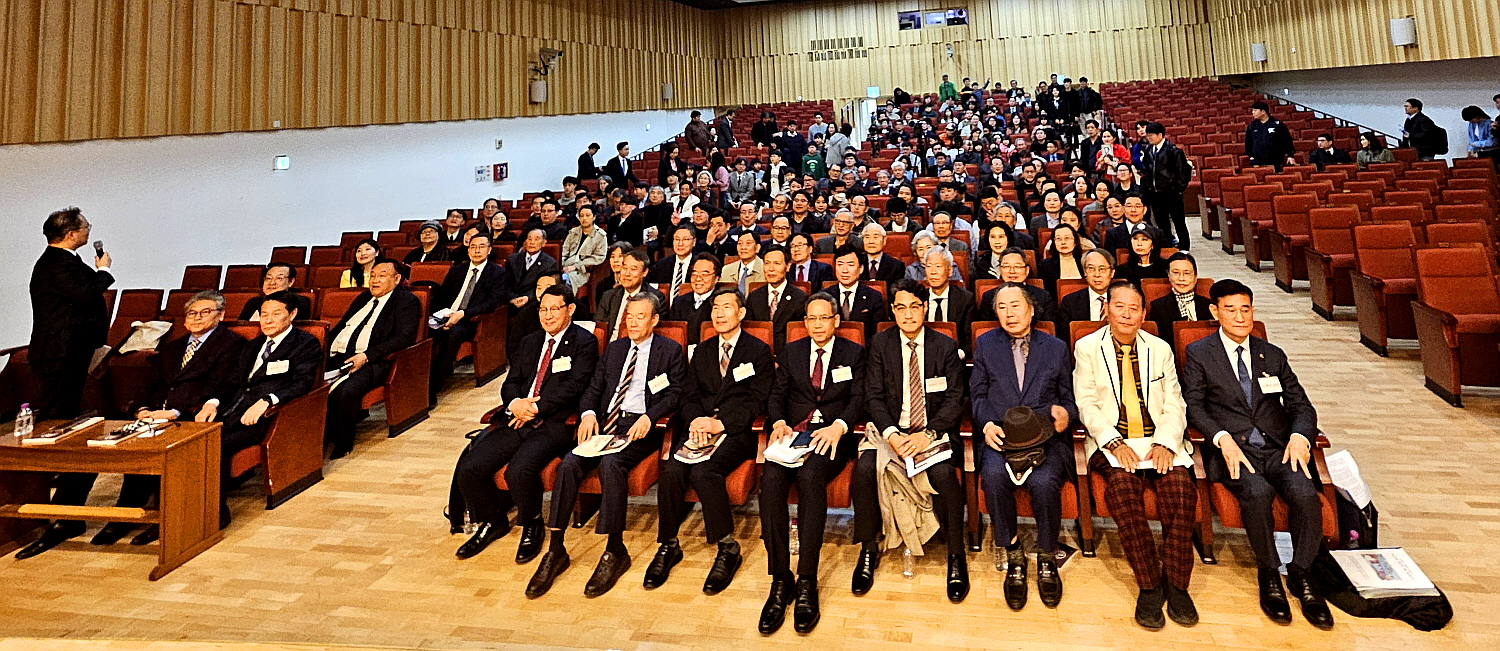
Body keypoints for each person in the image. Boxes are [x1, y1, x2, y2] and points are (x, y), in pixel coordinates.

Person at [1182, 279, 1333, 629]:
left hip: (1279, 449)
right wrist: (1221, 438)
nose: (1239, 316)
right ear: (1214, 312)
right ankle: (1269, 573)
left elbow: (1301, 405)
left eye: (1245, 309)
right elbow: (1194, 405)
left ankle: (1301, 572)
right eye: (1230, 309)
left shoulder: (1272, 354)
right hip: (1234, 450)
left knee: (1305, 494)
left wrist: (1300, 436)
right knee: (1258, 492)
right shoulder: (1201, 354)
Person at [525, 293, 685, 598]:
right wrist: (586, 414)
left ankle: (614, 549)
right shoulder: (614, 349)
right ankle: (556, 548)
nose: (633, 322)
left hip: (640, 427)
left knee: (612, 463)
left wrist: (651, 417)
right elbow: (593, 388)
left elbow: (674, 393)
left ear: (654, 320)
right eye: (629, 316)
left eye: (641, 317)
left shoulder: (669, 351)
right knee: (569, 463)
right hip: (605, 424)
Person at [1073, 282, 1197, 629]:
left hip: (1156, 440)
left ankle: (1178, 583)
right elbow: (1086, 403)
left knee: (1181, 490)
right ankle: (1148, 584)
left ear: (1144, 314)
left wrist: (1165, 442)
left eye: (1134, 308)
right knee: (1123, 493)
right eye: (1119, 307)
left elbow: (1175, 402)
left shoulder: (1159, 349)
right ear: (1106, 310)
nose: (1126, 314)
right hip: (1113, 442)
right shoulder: (1087, 348)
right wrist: (1114, 442)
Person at [449, 283, 598, 567]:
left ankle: (532, 524)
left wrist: (535, 407)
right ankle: (493, 521)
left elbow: (577, 386)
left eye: (555, 309)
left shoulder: (583, 342)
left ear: (570, 310)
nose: (548, 316)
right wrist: (515, 403)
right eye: (543, 309)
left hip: (555, 422)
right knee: (470, 467)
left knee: (520, 470)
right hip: (517, 418)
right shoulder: (530, 342)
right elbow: (511, 382)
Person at [647, 288, 773, 595]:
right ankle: (669, 543)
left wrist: (721, 424)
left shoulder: (757, 351)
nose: (719, 313)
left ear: (741, 314)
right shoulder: (702, 351)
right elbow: (688, 395)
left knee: (705, 471)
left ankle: (727, 547)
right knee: (674, 470)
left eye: (726, 307)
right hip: (701, 429)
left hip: (737, 431)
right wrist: (696, 422)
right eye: (715, 307)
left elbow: (759, 400)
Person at [758, 294, 865, 634]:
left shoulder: (854, 353)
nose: (817, 324)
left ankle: (806, 579)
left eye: (824, 318)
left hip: (832, 436)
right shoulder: (791, 353)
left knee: (810, 477)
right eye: (811, 319)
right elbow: (777, 393)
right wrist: (776, 420)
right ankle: (780, 578)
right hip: (793, 434)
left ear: (836, 320)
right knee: (770, 481)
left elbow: (859, 398)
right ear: (805, 322)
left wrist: (840, 425)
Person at [858, 279, 970, 602]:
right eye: (901, 307)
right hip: (891, 432)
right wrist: (892, 434)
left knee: (945, 476)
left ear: (925, 309)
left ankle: (955, 555)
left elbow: (954, 398)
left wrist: (928, 434)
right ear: (893, 311)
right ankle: (868, 548)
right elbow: (873, 397)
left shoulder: (944, 346)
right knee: (865, 470)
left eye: (914, 307)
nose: (908, 314)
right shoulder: (880, 344)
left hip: (931, 433)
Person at [971, 283, 1075, 610]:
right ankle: (1014, 552)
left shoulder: (1056, 347)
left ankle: (1045, 554)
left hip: (1044, 435)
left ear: (1031, 309)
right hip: (1001, 433)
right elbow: (978, 395)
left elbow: (1070, 398)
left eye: (1015, 305)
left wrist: (1066, 415)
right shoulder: (985, 344)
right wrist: (986, 423)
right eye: (1001, 307)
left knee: (1044, 484)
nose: (1009, 313)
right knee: (992, 477)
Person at [215, 292, 322, 528]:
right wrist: (212, 402)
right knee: (188, 437)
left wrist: (269, 400)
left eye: (276, 314)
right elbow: (233, 382)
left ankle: (215, 510)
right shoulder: (252, 345)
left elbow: (303, 383)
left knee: (215, 445)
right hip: (233, 410)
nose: (268, 320)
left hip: (268, 417)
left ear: (292, 314)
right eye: (263, 315)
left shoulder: (305, 344)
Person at [322, 259, 422, 459]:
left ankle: (342, 442)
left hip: (376, 359)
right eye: (373, 275)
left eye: (382, 275)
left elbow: (404, 337)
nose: (375, 280)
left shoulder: (406, 301)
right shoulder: (362, 298)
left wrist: (367, 356)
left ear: (396, 279)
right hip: (339, 356)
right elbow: (343, 326)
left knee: (345, 390)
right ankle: (315, 437)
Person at [27, 207, 113, 421]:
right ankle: (47, 451)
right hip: (60, 349)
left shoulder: (64, 260)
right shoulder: (57, 263)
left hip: (69, 347)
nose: (88, 231)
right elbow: (87, 293)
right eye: (86, 227)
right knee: (56, 411)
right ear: (71, 234)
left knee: (67, 407)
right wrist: (104, 270)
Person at [428, 234, 508, 403]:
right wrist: (439, 316)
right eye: (472, 246)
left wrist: (462, 314)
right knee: (422, 334)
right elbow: (441, 296)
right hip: (447, 315)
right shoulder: (457, 270)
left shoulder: (497, 272)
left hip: (470, 320)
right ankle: (413, 384)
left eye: (481, 246)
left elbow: (492, 303)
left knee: (452, 335)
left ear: (489, 250)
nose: (476, 250)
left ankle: (432, 388)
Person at [1140, 122, 1193, 251]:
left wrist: (1178, 189)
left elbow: (1183, 172)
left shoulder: (1173, 151)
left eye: (1151, 135)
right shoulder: (1148, 150)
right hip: (1155, 193)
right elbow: (1146, 170)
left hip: (1171, 192)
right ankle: (1167, 245)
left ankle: (1184, 247)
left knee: (1178, 221)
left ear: (1160, 135)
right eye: (1147, 135)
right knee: (1161, 222)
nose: (1149, 138)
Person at [745, 247, 807, 356]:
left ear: (787, 266)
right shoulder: (754, 297)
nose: (771, 269)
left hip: (788, 358)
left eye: (777, 263)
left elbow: (798, 338)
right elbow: (749, 332)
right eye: (767, 263)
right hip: (757, 356)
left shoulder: (800, 298)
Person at [594, 249, 666, 342]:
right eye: (624, 268)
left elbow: (657, 332)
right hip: (610, 347)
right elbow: (600, 328)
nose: (627, 274)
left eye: (633, 269)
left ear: (644, 272)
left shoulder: (656, 297)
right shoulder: (609, 296)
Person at [1149, 252, 1212, 349]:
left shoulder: (1208, 305)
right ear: (1169, 276)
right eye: (1175, 273)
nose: (1181, 278)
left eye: (1187, 273)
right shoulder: (1158, 306)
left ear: (1195, 277)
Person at [922, 245, 975, 357]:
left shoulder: (965, 299)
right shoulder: (918, 298)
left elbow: (968, 339)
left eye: (938, 266)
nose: (933, 272)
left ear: (950, 271)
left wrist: (956, 355)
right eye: (929, 266)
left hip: (954, 356)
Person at [828, 245, 888, 339]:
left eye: (850, 265)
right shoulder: (824, 296)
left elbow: (878, 335)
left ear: (861, 269)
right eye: (840, 264)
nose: (844, 270)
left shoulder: (874, 297)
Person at [1058, 249, 1117, 335]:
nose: (1097, 274)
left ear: (1112, 273)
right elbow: (1065, 337)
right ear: (1085, 272)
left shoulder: (1124, 300)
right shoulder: (1070, 302)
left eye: (1102, 269)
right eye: (1091, 268)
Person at [669, 254, 721, 346]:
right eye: (694, 274)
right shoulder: (679, 301)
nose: (698, 279)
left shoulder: (720, 302)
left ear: (717, 278)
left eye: (704, 274)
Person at [505, 230, 561, 311]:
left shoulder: (550, 263)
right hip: (510, 302)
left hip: (534, 303)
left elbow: (546, 287)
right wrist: (511, 298)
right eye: (529, 239)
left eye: (536, 239)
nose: (532, 242)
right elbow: (506, 283)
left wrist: (528, 298)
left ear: (544, 243)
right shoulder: (512, 259)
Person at [239, 263, 311, 320]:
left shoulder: (299, 302)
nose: (272, 283)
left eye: (279, 278)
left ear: (291, 282)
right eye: (268, 278)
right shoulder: (253, 302)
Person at [560, 204, 607, 292]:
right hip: (566, 266)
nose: (584, 218)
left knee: (564, 279)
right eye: (581, 216)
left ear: (594, 217)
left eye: (587, 215)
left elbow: (599, 258)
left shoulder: (600, 235)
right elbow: (564, 251)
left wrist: (576, 266)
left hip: (583, 271)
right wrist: (561, 265)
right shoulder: (573, 232)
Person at [1037, 223, 1087, 298]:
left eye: (1067, 238)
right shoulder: (1045, 266)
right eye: (1058, 239)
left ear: (1075, 241)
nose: (1063, 242)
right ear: (1054, 242)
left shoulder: (1086, 262)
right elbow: (1047, 295)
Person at [649, 225, 699, 299]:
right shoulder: (661, 265)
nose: (680, 244)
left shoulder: (699, 265)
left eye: (685, 239)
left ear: (694, 242)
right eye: (677, 239)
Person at [1244, 101, 1296, 169]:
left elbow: (1287, 140)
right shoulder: (1252, 126)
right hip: (1257, 161)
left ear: (1263, 111)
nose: (1253, 112)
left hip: (1275, 161)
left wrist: (1290, 155)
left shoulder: (1277, 124)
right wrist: (1251, 155)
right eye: (1252, 110)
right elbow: (1248, 142)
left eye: (1255, 110)